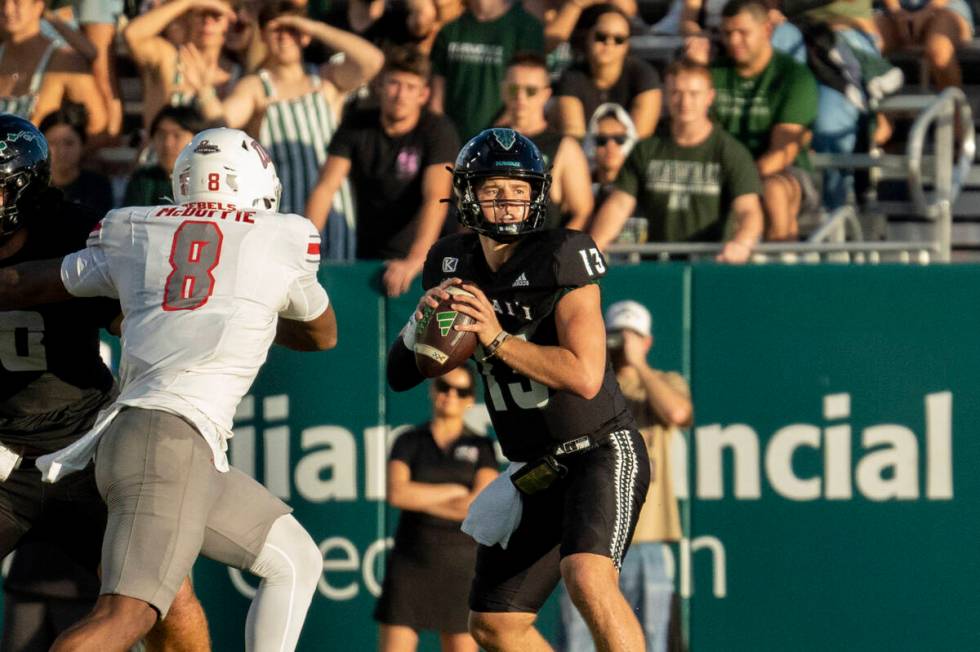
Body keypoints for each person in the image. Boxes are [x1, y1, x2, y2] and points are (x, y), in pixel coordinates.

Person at [0, 126, 337, 651]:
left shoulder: (136, 229)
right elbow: (323, 333)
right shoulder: (280, 237)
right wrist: (248, 296)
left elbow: (30, 282)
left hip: (147, 438)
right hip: (164, 439)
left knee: (294, 558)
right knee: (123, 618)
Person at [386, 127, 651, 651]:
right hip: (533, 468)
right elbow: (400, 374)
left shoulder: (562, 255)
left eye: (518, 189)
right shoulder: (450, 262)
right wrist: (419, 328)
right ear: (467, 193)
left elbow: (583, 374)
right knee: (494, 626)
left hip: (600, 449)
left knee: (588, 575)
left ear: (538, 194)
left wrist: (497, 337)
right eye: (492, 188)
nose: (507, 202)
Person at [0, 114, 210, 651]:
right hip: (3, 449)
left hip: (85, 445)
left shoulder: (77, 231)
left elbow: (136, 324)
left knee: (166, 598)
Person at [193, 0, 384, 251]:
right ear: (262, 35)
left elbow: (372, 60)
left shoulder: (326, 79)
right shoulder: (256, 88)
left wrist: (311, 27)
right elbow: (222, 125)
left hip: (334, 213)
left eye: (292, 30)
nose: (285, 37)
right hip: (283, 217)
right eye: (276, 30)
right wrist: (205, 93)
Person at [559, 300, 692, 652]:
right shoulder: (591, 383)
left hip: (648, 539)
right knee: (579, 639)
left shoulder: (664, 382)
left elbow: (678, 413)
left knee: (649, 637)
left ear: (647, 341)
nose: (622, 343)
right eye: (616, 336)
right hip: (592, 538)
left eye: (631, 336)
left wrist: (639, 365)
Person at [305, 47, 458, 296]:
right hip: (368, 251)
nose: (400, 95)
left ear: (424, 94)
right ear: (379, 86)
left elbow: (437, 197)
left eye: (410, 87)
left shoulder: (438, 130)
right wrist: (304, 248)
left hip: (429, 255)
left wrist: (417, 259)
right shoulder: (356, 124)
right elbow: (326, 186)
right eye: (394, 84)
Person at [375, 366, 499, 652]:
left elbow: (477, 507)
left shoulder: (482, 447)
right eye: (444, 386)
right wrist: (453, 491)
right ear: (433, 390)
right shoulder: (408, 441)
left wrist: (423, 496)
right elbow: (398, 493)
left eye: (462, 391)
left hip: (462, 567)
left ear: (470, 400)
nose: (451, 395)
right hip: (410, 563)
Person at [590, 60, 764, 263]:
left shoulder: (731, 151)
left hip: (713, 262)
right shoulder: (646, 149)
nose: (685, 102)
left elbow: (748, 210)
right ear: (665, 96)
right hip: (658, 265)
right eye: (676, 93)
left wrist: (742, 244)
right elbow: (619, 205)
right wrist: (596, 247)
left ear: (709, 97)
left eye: (693, 94)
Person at [688, 0, 818, 241]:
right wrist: (694, 68)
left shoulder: (793, 76)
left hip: (784, 173)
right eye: (728, 33)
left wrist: (737, 183)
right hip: (720, 172)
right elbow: (691, 133)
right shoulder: (713, 73)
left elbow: (781, 154)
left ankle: (782, 271)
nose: (734, 41)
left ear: (767, 30)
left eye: (743, 32)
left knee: (773, 192)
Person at [496, 52, 593, 230]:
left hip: (542, 251)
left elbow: (582, 212)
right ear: (503, 90)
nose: (521, 97)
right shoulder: (486, 143)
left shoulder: (564, 147)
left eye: (530, 91)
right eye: (513, 89)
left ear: (546, 94)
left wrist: (557, 253)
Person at [428, 0, 545, 142]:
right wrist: (443, 139)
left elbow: (529, 84)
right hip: (452, 143)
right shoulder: (450, 29)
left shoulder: (526, 27)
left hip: (501, 142)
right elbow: (436, 98)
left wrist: (495, 138)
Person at [123, 0, 242, 130]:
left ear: (229, 22)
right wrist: (188, 2)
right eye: (201, 14)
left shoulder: (237, 73)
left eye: (215, 15)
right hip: (162, 148)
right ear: (187, 19)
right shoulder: (169, 59)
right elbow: (131, 35)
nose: (207, 21)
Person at [0, 0, 107, 136]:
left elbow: (98, 125)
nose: (7, 9)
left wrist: (60, 152)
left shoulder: (65, 62)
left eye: (17, 2)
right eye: (2, 3)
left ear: (38, 6)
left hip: (42, 155)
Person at [554, 5, 661, 139]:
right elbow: (575, 137)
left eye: (619, 39)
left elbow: (639, 141)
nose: (609, 43)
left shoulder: (644, 75)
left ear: (627, 46)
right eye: (601, 36)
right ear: (588, 37)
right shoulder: (572, 77)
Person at [123, 105, 209, 206]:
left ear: (199, 140)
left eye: (177, 135)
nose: (167, 143)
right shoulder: (143, 180)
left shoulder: (210, 183)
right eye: (161, 135)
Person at [876, 0, 973, 90]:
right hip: (893, 10)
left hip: (947, 6)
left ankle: (955, 106)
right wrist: (897, 12)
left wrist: (927, 13)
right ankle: (870, 105)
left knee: (939, 52)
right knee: (869, 44)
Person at [39, 104, 114, 215]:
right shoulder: (33, 187)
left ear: (82, 145)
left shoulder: (97, 186)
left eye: (69, 143)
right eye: (53, 143)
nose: (61, 151)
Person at [582, 102, 637, 209]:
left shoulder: (642, 191)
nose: (610, 146)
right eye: (601, 140)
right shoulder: (579, 191)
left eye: (619, 139)